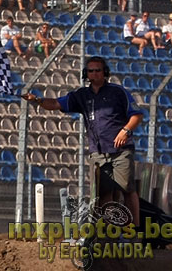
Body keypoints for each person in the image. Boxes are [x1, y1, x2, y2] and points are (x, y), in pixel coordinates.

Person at [23, 56, 143, 228]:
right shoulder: (82, 95)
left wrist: (126, 131)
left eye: (97, 70)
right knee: (103, 192)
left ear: (105, 73)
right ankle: (108, 230)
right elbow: (56, 103)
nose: (93, 74)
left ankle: (135, 230)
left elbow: (136, 114)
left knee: (126, 187)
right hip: (97, 151)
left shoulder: (118, 92)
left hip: (120, 149)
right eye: (90, 70)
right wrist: (37, 100)